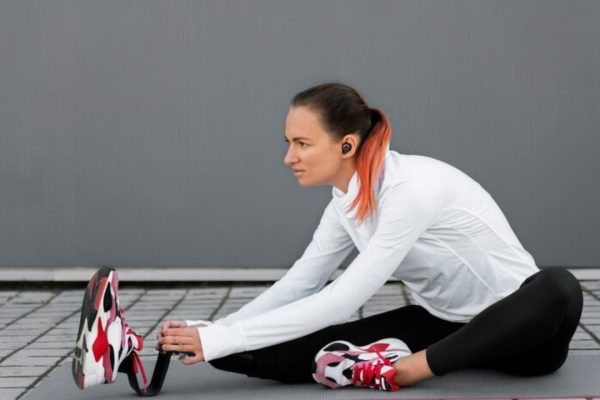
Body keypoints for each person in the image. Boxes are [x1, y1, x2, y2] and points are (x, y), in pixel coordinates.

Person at [156, 82, 583, 391]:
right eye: (288, 142)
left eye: (302, 143)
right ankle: (129, 348)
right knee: (291, 350)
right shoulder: (344, 203)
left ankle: (408, 370)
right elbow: (300, 284)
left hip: (520, 334)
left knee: (558, 285)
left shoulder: (409, 189)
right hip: (444, 327)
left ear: (345, 146)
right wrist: (212, 333)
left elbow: (344, 298)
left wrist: (222, 334)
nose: (289, 157)